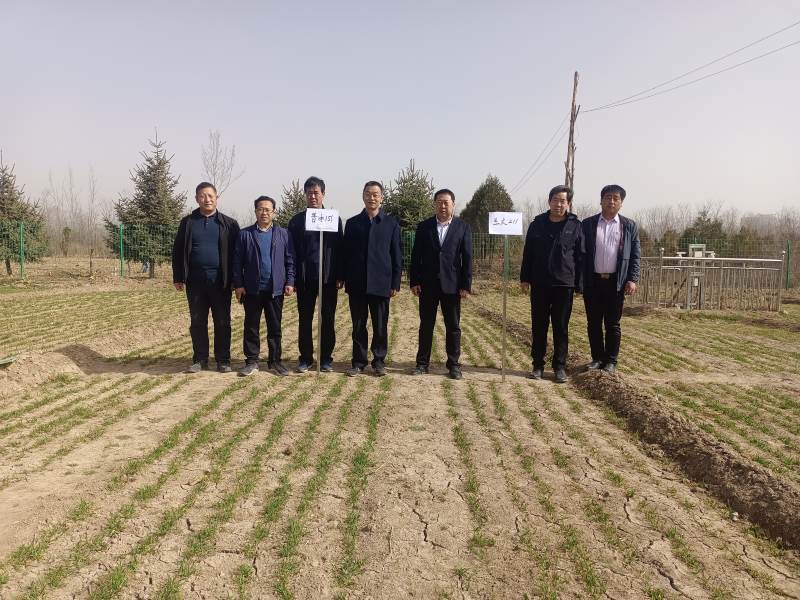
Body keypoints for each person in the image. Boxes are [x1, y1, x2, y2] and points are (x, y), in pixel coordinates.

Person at [172, 182, 240, 373]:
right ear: (197, 199)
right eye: (202, 196)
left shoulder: (229, 224)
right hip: (195, 281)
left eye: (210, 196)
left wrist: (237, 281)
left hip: (221, 281)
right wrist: (178, 277)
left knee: (222, 321)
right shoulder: (188, 223)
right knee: (197, 321)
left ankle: (223, 360)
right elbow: (177, 251)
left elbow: (237, 255)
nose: (207, 199)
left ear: (217, 197)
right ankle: (200, 359)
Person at [519, 185, 584, 383]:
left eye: (563, 201)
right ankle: (537, 365)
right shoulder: (537, 224)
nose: (559, 204)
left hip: (564, 283)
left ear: (568, 203)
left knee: (560, 326)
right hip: (540, 282)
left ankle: (559, 367)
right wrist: (525, 278)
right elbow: (528, 253)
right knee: (539, 325)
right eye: (555, 200)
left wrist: (579, 284)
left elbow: (581, 256)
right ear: (549, 201)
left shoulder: (575, 225)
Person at [338, 181, 401, 377]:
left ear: (381, 198)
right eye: (368, 194)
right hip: (357, 282)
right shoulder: (353, 223)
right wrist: (341, 276)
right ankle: (358, 362)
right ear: (363, 196)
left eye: (375, 194)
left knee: (380, 325)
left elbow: (396, 255)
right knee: (358, 325)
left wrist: (395, 282)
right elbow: (345, 253)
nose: (371, 198)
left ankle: (379, 361)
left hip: (382, 283)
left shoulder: (391, 223)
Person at [409, 188, 473, 380]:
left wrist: (465, 285)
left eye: (446, 202)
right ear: (435, 204)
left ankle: (454, 364)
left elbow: (467, 258)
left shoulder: (462, 227)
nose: (443, 206)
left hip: (452, 285)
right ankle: (422, 363)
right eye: (439, 202)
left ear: (453, 204)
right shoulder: (424, 227)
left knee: (453, 326)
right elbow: (416, 256)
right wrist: (414, 281)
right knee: (426, 325)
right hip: (427, 284)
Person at [232, 196, 295, 377]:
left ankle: (275, 361)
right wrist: (239, 285)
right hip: (252, 289)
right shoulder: (245, 234)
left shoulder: (284, 234)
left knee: (275, 327)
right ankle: (252, 361)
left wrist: (290, 281)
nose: (264, 212)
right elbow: (237, 262)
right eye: (260, 209)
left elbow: (290, 260)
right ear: (255, 212)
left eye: (268, 209)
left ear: (274, 212)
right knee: (251, 326)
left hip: (275, 289)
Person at [581, 184, 641, 374]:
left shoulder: (629, 226)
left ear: (621, 203)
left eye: (616, 198)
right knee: (593, 323)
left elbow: (635, 256)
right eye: (608, 197)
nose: (611, 201)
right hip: (593, 281)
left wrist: (632, 279)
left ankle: (611, 361)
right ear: (601, 201)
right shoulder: (588, 224)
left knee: (613, 324)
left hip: (616, 283)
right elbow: (579, 253)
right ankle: (597, 358)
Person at [287, 176, 343, 372]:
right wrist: (292, 278)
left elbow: (340, 249)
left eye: (316, 192)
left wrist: (339, 275)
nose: (312, 196)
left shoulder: (333, 219)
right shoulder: (296, 221)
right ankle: (305, 358)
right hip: (305, 279)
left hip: (328, 279)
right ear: (305, 195)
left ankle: (326, 358)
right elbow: (291, 251)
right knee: (305, 319)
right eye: (309, 193)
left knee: (328, 319)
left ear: (323, 194)